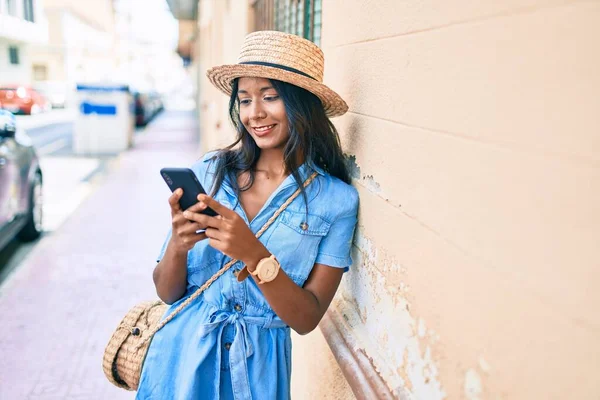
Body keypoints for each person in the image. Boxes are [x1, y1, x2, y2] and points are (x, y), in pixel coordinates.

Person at [135, 30, 359, 400]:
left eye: (270, 97)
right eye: (244, 99)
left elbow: (305, 319)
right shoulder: (210, 171)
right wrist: (177, 243)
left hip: (257, 372)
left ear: (301, 104)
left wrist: (254, 254)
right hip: (181, 358)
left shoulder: (335, 201)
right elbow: (167, 291)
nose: (255, 113)